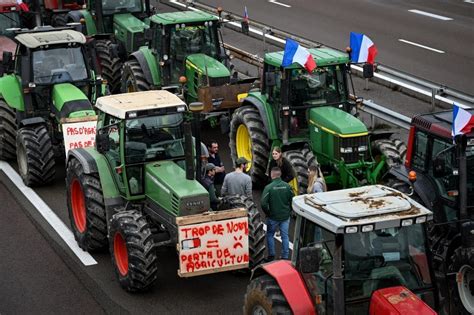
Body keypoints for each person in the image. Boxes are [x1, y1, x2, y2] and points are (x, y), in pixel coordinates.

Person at [261, 167, 294, 261]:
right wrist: (289, 210)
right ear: (280, 175)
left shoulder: (269, 187)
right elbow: (292, 200)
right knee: (285, 236)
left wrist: (268, 212)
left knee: (270, 235)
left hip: (273, 217)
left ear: (272, 175)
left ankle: (271, 255)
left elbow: (263, 203)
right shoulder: (287, 186)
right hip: (285, 216)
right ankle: (285, 256)